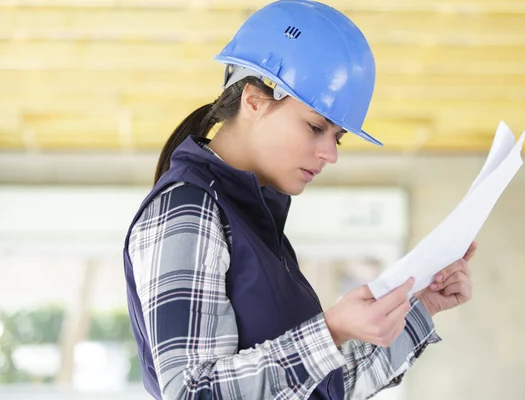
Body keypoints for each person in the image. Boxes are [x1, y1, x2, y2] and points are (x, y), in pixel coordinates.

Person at [122, 1, 477, 399]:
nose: (331, 154)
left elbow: (326, 387)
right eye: (315, 127)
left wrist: (423, 306)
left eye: (337, 137)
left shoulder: (255, 223)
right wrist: (331, 330)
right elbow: (190, 392)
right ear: (254, 100)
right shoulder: (189, 207)